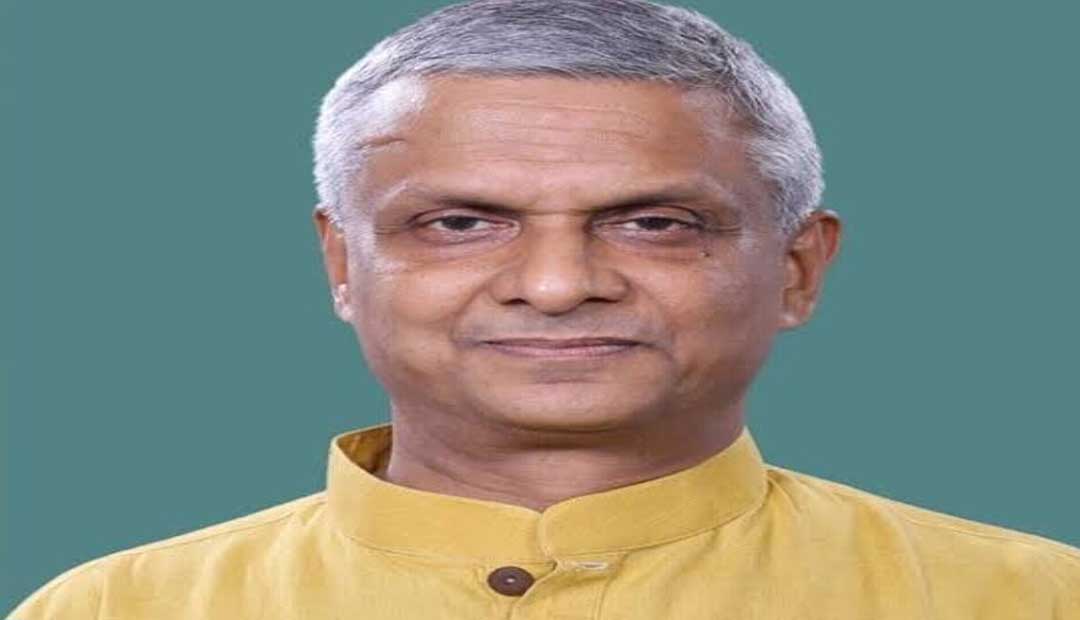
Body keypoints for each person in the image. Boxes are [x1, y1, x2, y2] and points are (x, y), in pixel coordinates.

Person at [10, 0, 1079, 618]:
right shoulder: (115, 609)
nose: (559, 284)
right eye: (460, 222)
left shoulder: (1025, 599)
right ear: (342, 260)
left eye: (654, 222)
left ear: (798, 267)